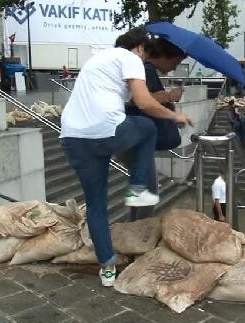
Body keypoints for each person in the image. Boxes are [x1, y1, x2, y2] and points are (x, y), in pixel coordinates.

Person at [59, 27, 193, 287]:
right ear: (141, 47)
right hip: (108, 131)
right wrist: (175, 115)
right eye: (146, 54)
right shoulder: (131, 58)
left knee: (96, 204)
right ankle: (139, 187)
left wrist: (163, 98)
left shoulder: (98, 59)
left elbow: (132, 99)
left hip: (73, 137)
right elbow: (143, 103)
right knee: (147, 128)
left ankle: (107, 267)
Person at [124, 37, 187, 221]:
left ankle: (132, 228)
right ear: (168, 56)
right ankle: (139, 234)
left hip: (132, 136)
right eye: (177, 61)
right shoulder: (147, 70)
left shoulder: (144, 69)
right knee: (149, 192)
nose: (175, 67)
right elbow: (140, 100)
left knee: (138, 187)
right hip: (139, 138)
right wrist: (169, 96)